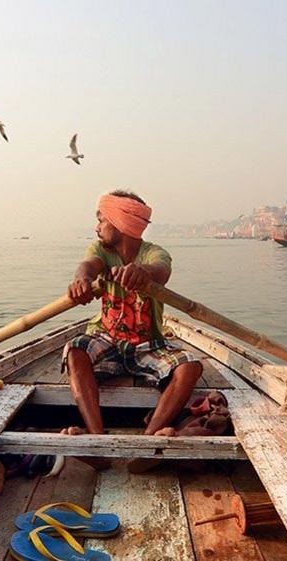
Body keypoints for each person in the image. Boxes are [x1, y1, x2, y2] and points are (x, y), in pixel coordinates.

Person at [63, 190, 203, 455]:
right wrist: (81, 280)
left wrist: (143, 273)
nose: (97, 228)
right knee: (76, 350)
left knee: (190, 367)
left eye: (101, 220)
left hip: (148, 344)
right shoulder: (101, 251)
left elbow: (161, 271)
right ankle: (97, 439)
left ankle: (147, 443)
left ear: (119, 223)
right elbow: (87, 266)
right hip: (107, 339)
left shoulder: (155, 253)